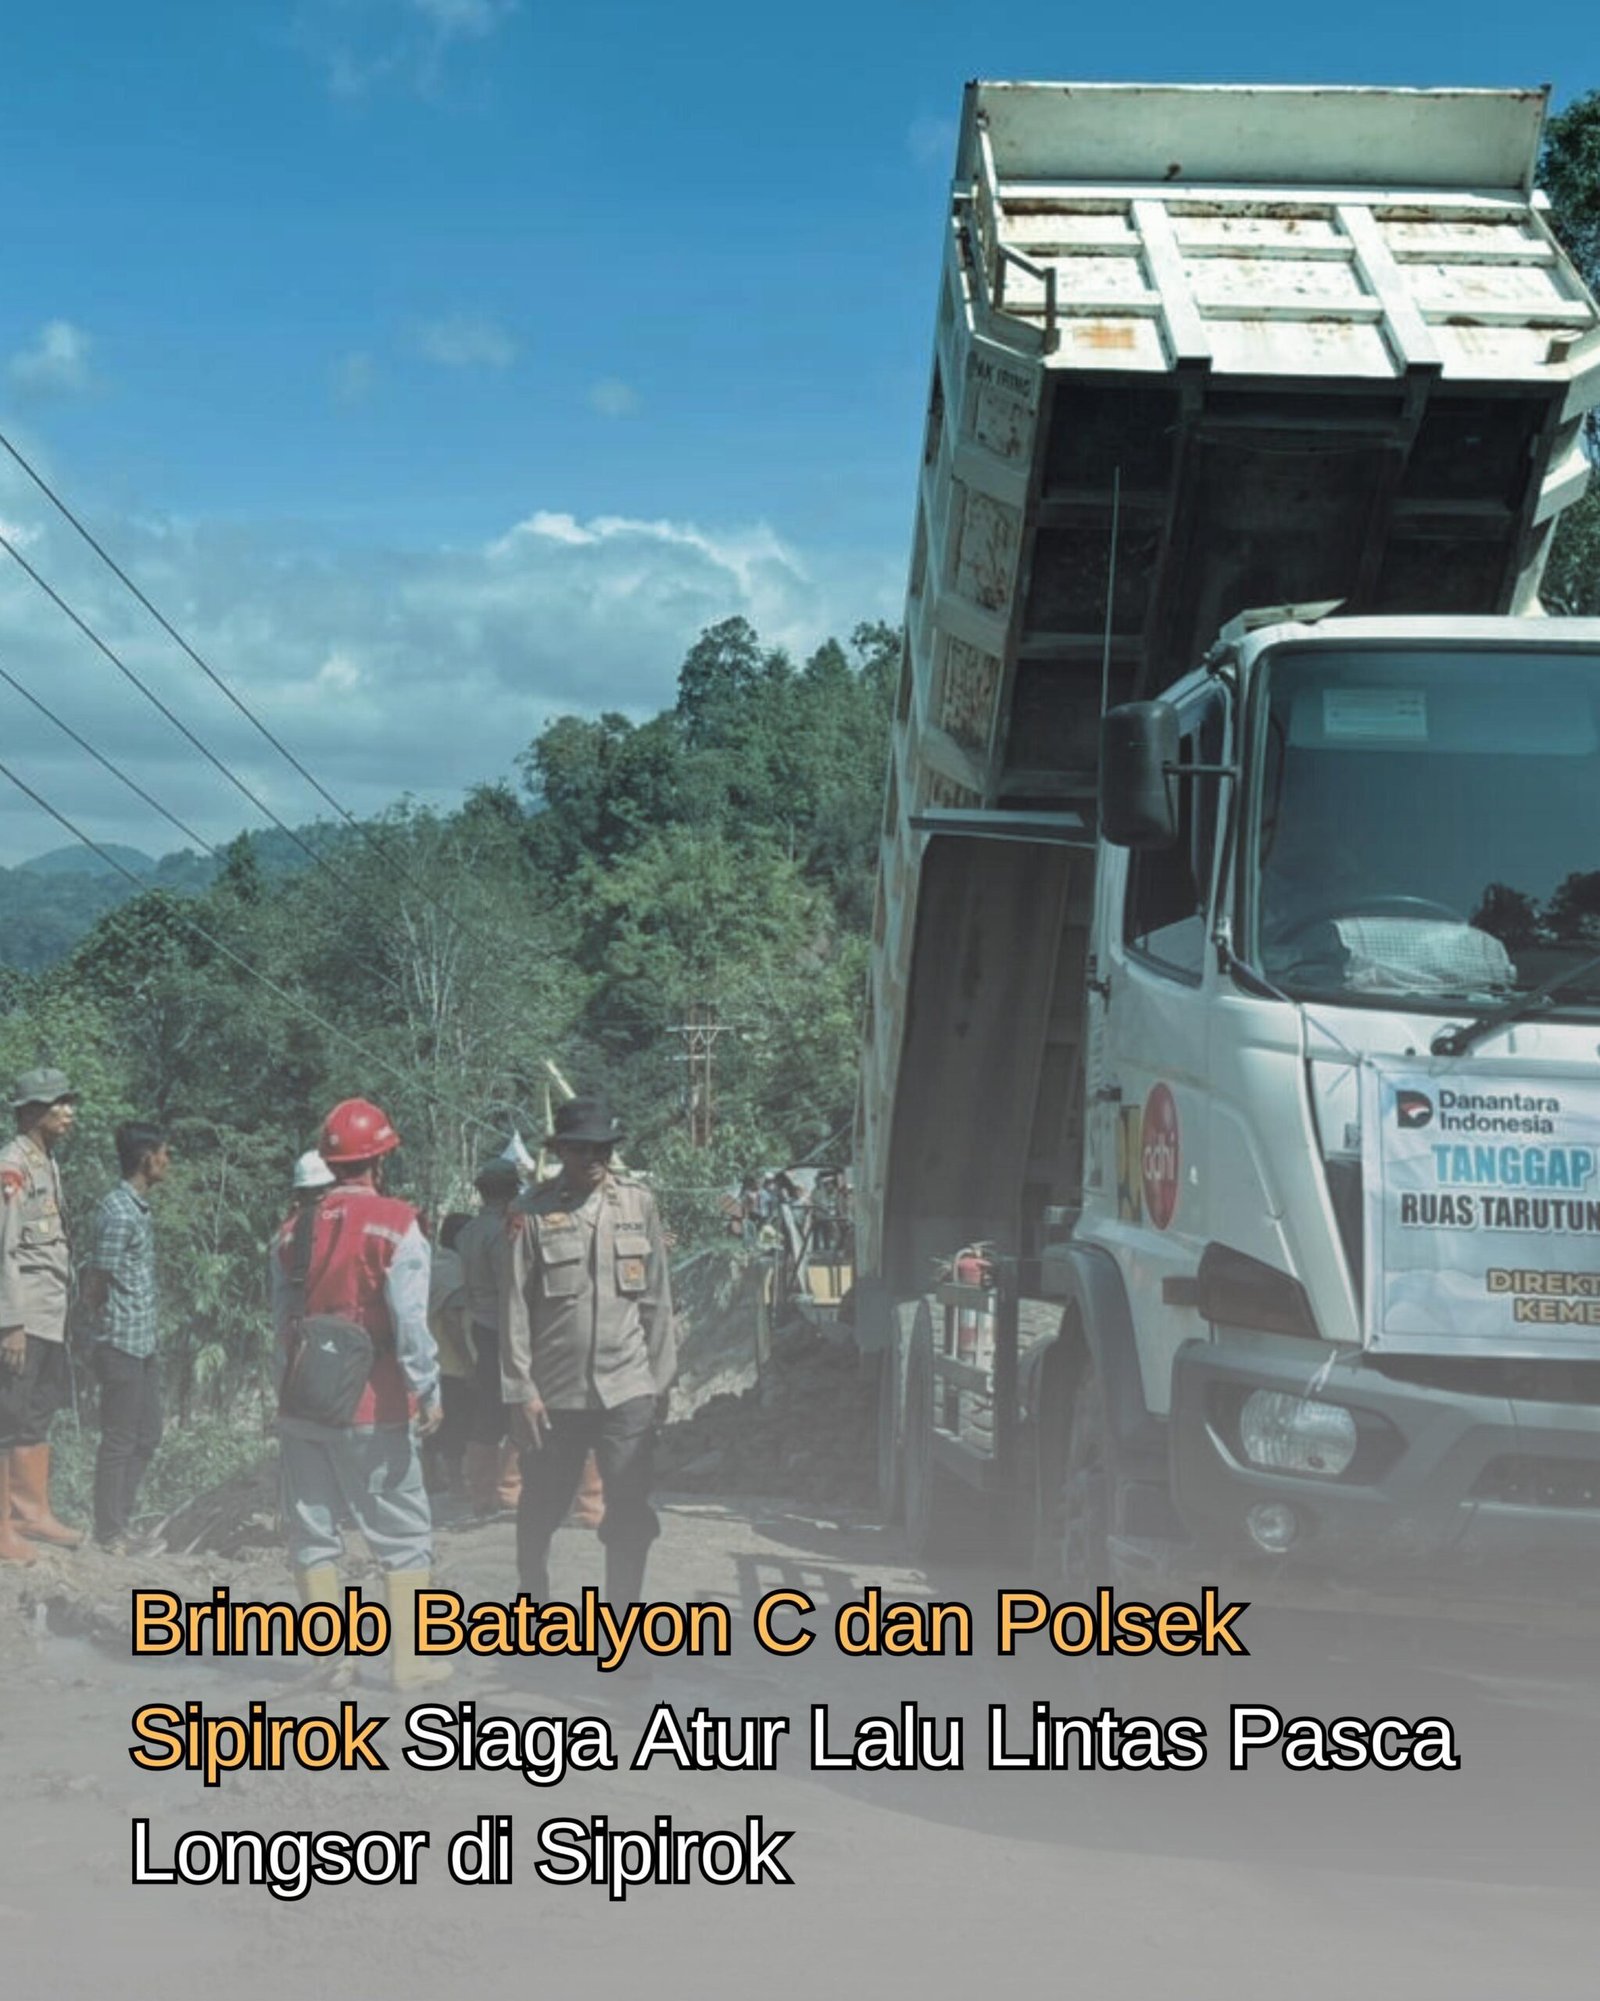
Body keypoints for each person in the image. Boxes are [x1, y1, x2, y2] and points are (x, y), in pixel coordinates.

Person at [269, 1096, 447, 1689]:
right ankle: (410, 1664)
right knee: (403, 1534)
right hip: (375, 1401)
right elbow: (411, 1322)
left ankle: (331, 1662)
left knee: (313, 1531)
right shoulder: (397, 1223)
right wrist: (427, 1390)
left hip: (303, 1403)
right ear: (380, 1159)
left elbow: (281, 1324)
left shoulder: (291, 1232)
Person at [500, 1095, 676, 1618]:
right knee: (541, 1508)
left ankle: (622, 1623)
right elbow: (514, 1309)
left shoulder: (638, 1204)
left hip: (627, 1388)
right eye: (581, 1148)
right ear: (560, 1150)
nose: (593, 1158)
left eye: (602, 1148)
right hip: (555, 1394)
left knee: (629, 1509)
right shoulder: (530, 1212)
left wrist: (660, 1383)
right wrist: (521, 1391)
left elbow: (657, 1300)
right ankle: (534, 1604)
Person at [0, 1067, 86, 1559]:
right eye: (59, 1104)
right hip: (24, 1314)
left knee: (38, 1409)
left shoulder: (46, 1162)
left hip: (49, 1312)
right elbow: (4, 1249)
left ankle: (31, 1514)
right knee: (7, 1414)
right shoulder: (12, 1165)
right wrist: (10, 1322)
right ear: (32, 1111)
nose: (68, 1113)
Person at [78, 1121, 171, 1552]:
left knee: (147, 1433)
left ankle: (121, 1522)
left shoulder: (136, 1209)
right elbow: (97, 1279)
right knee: (119, 1438)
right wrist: (99, 1332)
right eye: (163, 1153)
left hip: (142, 1341)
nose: (167, 1161)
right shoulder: (117, 1212)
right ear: (146, 1158)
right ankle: (110, 1532)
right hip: (120, 1342)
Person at [455, 1159, 524, 1516]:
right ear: (510, 1191)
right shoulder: (500, 1232)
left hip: (479, 1323)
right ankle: (508, 1489)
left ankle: (480, 1491)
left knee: (486, 1406)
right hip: (505, 1324)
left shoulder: (468, 1231)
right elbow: (509, 1283)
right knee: (516, 1403)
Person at [424, 1211, 474, 1496]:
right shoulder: (455, 1272)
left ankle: (431, 1476)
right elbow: (453, 1320)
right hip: (451, 1361)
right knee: (456, 1423)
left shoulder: (433, 1265)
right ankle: (457, 1482)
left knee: (434, 1421)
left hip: (431, 1358)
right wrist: (468, 1361)